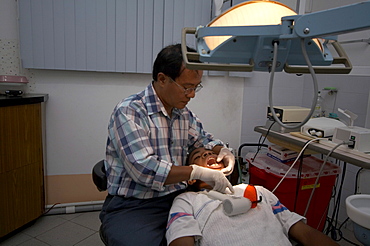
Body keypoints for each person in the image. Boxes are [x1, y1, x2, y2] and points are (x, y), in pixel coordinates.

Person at [99, 44, 235, 246]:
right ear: (162, 79)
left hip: (181, 197)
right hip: (136, 205)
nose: (192, 95)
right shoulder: (130, 112)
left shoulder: (183, 114)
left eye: (196, 87)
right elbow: (144, 169)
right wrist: (196, 172)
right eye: (187, 87)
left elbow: (203, 139)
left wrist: (222, 150)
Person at [166, 147, 339, 246]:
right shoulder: (188, 200)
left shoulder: (257, 191)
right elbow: (181, 240)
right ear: (191, 178)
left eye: (211, 152)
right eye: (198, 156)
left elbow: (305, 233)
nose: (207, 154)